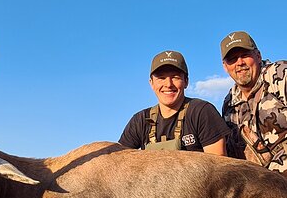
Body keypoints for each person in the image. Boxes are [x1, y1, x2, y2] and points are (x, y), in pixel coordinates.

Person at [119, 50, 230, 155]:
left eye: (175, 77)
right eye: (161, 78)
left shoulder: (202, 111)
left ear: (186, 81)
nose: (168, 84)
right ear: (151, 83)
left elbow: (219, 163)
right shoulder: (139, 121)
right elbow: (119, 160)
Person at [221, 30, 287, 174]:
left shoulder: (280, 74)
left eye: (245, 55)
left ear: (258, 56)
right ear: (225, 67)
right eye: (232, 59)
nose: (240, 63)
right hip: (258, 184)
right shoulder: (228, 103)